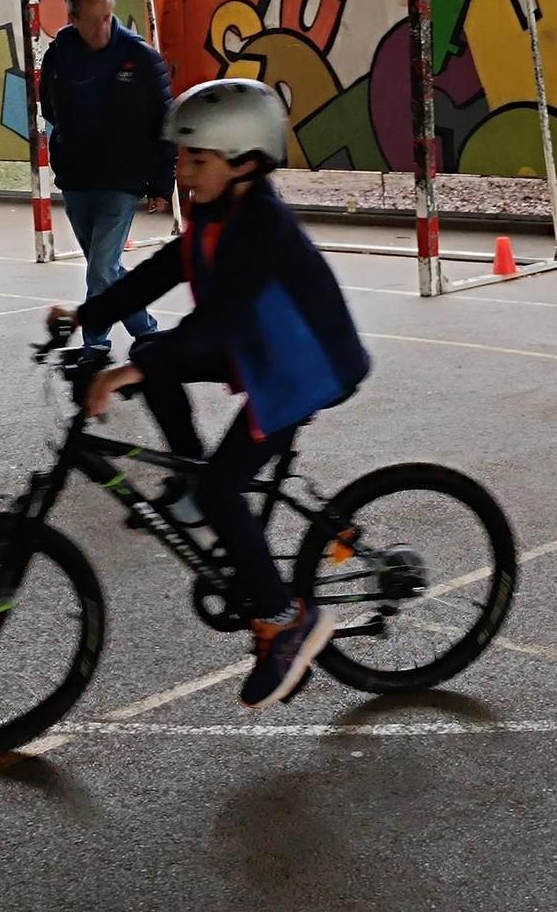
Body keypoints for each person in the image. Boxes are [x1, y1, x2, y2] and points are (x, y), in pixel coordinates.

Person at [48, 78, 370, 710]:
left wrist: (121, 376)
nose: (183, 171)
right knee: (151, 356)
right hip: (261, 345)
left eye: (197, 161)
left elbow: (216, 323)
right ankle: (195, 486)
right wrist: (89, 316)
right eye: (181, 159)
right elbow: (164, 270)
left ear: (245, 162)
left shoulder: (260, 229)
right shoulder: (215, 210)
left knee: (225, 483)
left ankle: (284, 619)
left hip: (301, 367)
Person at [39, 0, 175, 352]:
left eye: (107, 18)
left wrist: (162, 185)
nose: (101, 27)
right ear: (72, 19)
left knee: (101, 267)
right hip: (77, 176)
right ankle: (146, 331)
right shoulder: (58, 55)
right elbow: (49, 107)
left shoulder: (140, 57)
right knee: (107, 268)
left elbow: (167, 122)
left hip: (124, 178)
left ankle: (94, 344)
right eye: (93, 20)